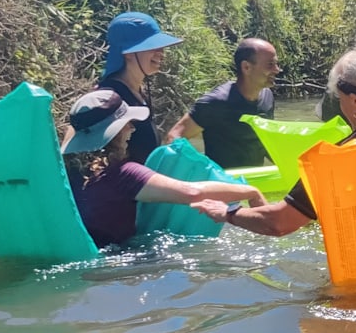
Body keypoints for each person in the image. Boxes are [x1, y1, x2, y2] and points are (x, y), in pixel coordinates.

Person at [193, 47, 356, 236]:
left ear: (355, 101)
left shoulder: (332, 160)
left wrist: (229, 212)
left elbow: (279, 223)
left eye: (339, 98)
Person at [62, 89, 265, 248]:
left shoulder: (68, 172)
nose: (132, 129)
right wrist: (250, 191)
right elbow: (192, 192)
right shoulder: (123, 174)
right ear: (114, 132)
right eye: (127, 124)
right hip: (118, 262)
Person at [166, 38, 281, 168]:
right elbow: (174, 137)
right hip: (223, 183)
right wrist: (196, 169)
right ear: (246, 67)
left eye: (276, 64)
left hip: (254, 183)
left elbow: (266, 143)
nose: (277, 70)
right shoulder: (216, 102)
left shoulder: (267, 97)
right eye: (270, 64)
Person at [95, 11, 181, 164]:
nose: (161, 53)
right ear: (128, 53)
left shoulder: (138, 92)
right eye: (153, 47)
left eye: (161, 47)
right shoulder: (109, 99)